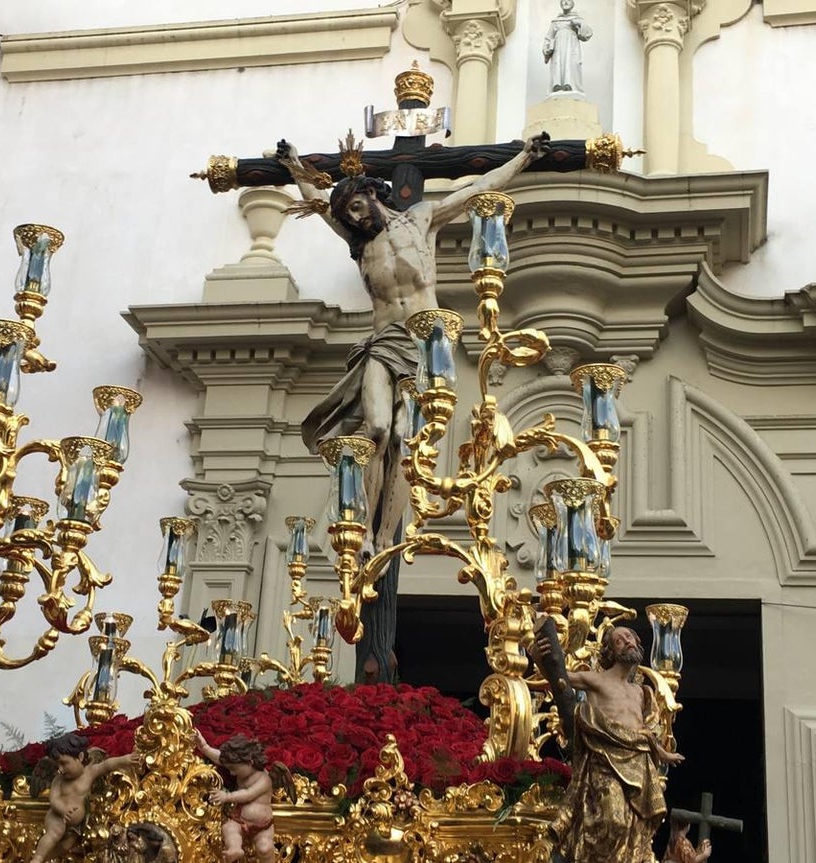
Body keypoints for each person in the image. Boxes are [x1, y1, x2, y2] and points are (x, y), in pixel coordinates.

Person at [278, 133, 549, 680]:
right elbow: (317, 194)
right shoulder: (360, 245)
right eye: (347, 213)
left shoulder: (420, 218)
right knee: (376, 427)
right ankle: (363, 529)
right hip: (382, 342)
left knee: (404, 440)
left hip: (426, 342)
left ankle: (383, 537)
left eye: (357, 206)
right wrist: (292, 167)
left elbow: (475, 190)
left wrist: (521, 159)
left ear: (376, 196)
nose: (354, 217)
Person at [531, 622, 683, 863]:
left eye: (630, 637)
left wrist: (663, 753)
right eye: (620, 640)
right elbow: (559, 677)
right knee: (612, 819)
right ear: (612, 652)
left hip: (637, 763)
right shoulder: (597, 680)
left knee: (634, 825)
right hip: (605, 759)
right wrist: (541, 657)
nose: (628, 642)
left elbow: (645, 731)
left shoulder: (641, 692)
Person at [28, 732, 140, 863]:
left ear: (80, 757)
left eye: (64, 763)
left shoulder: (89, 773)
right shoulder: (58, 780)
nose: (60, 769)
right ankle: (37, 858)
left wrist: (125, 759)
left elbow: (107, 765)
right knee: (55, 833)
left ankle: (45, 858)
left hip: (77, 826)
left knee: (66, 845)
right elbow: (53, 799)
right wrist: (63, 810)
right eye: (58, 764)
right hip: (57, 817)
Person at [195, 731, 292, 863]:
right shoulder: (242, 768)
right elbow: (221, 759)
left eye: (234, 769)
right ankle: (235, 849)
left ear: (250, 762)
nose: (231, 773)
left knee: (265, 848)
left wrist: (226, 797)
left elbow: (248, 794)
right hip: (239, 820)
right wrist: (204, 746)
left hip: (262, 826)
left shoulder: (264, 779)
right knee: (229, 828)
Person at [543, 0, 593, 97]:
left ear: (572, 4)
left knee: (572, 63)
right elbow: (548, 37)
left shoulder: (577, 19)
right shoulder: (556, 21)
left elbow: (587, 33)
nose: (565, 2)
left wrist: (579, 24)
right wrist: (547, 48)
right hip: (558, 48)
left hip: (572, 46)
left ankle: (571, 84)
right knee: (558, 64)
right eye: (563, 1)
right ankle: (557, 85)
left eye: (568, 0)